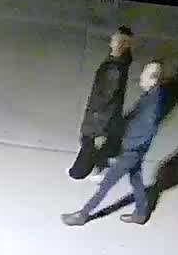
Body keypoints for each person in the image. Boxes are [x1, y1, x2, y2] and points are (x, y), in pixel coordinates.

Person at [62, 60, 166, 227]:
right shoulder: (152, 95)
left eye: (145, 74)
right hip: (134, 151)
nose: (141, 77)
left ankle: (82, 215)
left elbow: (145, 131)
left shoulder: (152, 104)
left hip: (130, 151)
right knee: (136, 180)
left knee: (106, 184)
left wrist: (124, 147)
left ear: (153, 79)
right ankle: (141, 213)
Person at [69, 27, 133, 179]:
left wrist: (97, 120)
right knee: (91, 145)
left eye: (116, 40)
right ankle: (92, 167)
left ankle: (79, 172)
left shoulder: (114, 68)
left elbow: (105, 96)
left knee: (88, 146)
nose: (112, 41)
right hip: (103, 118)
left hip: (98, 118)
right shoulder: (120, 62)